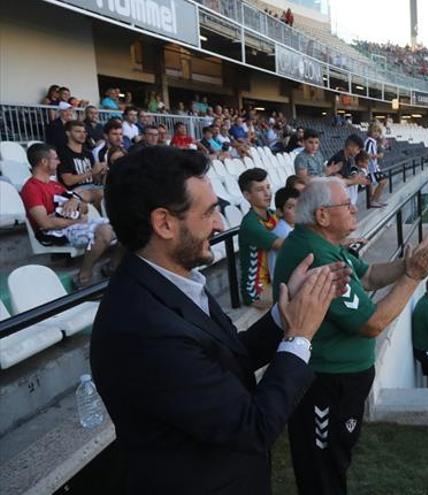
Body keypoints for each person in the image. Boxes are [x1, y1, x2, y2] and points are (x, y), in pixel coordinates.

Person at [91, 145, 349, 494]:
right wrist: (298, 337)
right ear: (164, 223)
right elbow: (253, 427)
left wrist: (284, 310)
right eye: (210, 212)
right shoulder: (144, 328)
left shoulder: (170, 282)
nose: (219, 224)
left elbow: (226, 356)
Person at [272, 177, 428, 495]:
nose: (356, 207)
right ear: (323, 216)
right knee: (323, 471)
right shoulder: (317, 257)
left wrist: (408, 264)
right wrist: (413, 275)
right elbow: (373, 323)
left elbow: (368, 275)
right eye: (347, 204)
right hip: (326, 384)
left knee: (333, 461)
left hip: (340, 382)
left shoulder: (324, 245)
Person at [21, 144, 115, 287]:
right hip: (55, 232)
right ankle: (83, 277)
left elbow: (84, 209)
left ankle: (113, 268)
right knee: (105, 231)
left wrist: (76, 200)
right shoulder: (31, 188)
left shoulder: (55, 185)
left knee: (124, 225)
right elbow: (45, 224)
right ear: (44, 162)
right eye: (56, 159)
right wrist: (77, 220)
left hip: (71, 225)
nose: (59, 162)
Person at [237, 168, 285, 308]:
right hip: (257, 291)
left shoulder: (273, 214)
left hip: (274, 279)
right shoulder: (250, 224)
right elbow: (283, 244)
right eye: (260, 190)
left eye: (268, 187)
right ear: (247, 195)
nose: (267, 193)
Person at [57, 120, 106, 205]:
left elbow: (95, 179)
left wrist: (101, 172)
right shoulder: (63, 153)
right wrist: (91, 172)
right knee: (101, 193)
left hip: (92, 187)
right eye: (78, 131)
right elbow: (68, 181)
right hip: (75, 191)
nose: (83, 135)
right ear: (68, 133)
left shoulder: (88, 153)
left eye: (84, 132)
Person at [268, 186, 299, 277]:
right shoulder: (283, 232)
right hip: (283, 284)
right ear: (279, 212)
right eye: (290, 207)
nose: (297, 210)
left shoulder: (292, 227)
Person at [363, 123, 388, 207]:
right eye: (374, 131)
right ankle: (374, 200)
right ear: (370, 131)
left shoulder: (373, 142)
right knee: (383, 181)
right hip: (371, 168)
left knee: (378, 182)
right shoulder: (369, 141)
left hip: (373, 167)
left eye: (378, 131)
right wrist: (377, 156)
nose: (376, 133)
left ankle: (374, 199)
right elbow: (366, 154)